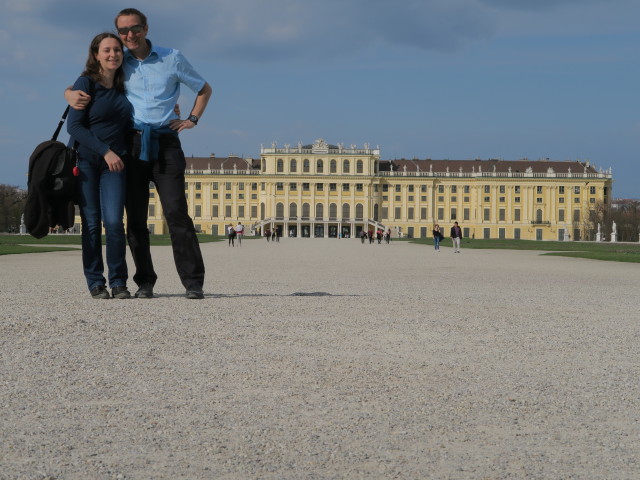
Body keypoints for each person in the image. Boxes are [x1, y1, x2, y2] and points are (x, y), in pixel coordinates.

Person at [66, 8, 212, 299]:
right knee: (134, 218)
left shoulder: (172, 57)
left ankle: (193, 282)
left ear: (146, 28)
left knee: (176, 212)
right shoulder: (120, 61)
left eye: (135, 29)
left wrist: (191, 119)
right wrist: (68, 92)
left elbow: (204, 88)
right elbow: (92, 79)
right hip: (130, 144)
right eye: (123, 31)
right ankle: (145, 282)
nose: (129, 35)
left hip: (166, 142)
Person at [67, 32, 133, 299]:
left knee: (115, 222)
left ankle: (118, 281)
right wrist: (105, 151)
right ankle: (95, 281)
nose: (113, 54)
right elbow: (74, 126)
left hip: (114, 165)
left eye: (117, 50)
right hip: (87, 161)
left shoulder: (126, 84)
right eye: (106, 50)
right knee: (92, 223)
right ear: (96, 54)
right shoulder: (86, 82)